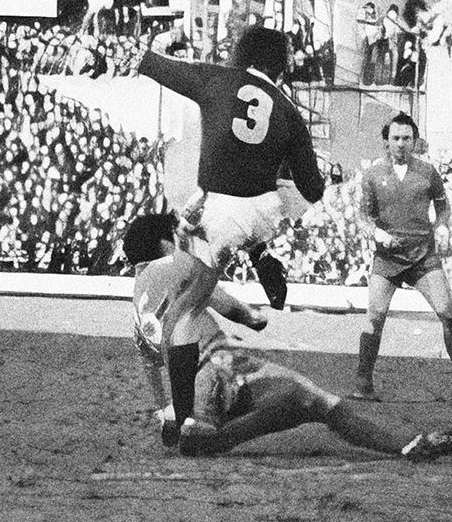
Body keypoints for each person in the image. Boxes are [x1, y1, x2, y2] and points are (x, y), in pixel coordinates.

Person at [125, 213, 452, 461]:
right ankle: (403, 446)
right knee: (316, 401)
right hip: (220, 368)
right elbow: (234, 308)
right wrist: (255, 316)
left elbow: (148, 360)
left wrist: (166, 410)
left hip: (201, 383)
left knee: (295, 404)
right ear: (165, 244)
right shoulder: (176, 268)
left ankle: (199, 429)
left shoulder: (141, 296)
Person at [137, 25, 327, 442]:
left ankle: (183, 414)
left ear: (241, 53)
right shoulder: (290, 111)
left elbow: (154, 66)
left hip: (218, 210)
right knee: (200, 225)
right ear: (280, 65)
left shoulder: (218, 78)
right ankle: (259, 254)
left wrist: (152, 51)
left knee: (186, 309)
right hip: (262, 211)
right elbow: (313, 189)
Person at [349, 113, 452, 402]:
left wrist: (443, 226)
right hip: (387, 259)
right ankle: (363, 383)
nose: (401, 144)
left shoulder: (427, 172)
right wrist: (376, 233)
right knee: (374, 317)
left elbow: (443, 207)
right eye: (395, 138)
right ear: (386, 142)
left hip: (423, 256)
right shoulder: (373, 175)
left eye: (406, 138)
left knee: (447, 314)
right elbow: (362, 215)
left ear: (415, 141)